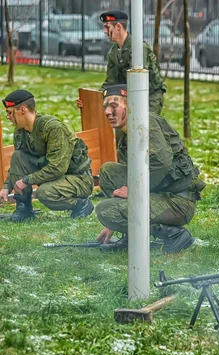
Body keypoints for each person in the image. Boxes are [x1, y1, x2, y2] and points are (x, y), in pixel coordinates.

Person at [95, 85, 205, 253]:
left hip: (177, 202)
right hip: (159, 193)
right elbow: (133, 174)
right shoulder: (126, 134)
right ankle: (131, 236)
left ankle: (173, 234)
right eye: (105, 107)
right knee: (108, 172)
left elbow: (161, 162)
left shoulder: (146, 123)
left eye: (114, 105)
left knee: (105, 210)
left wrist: (133, 192)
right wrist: (116, 222)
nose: (108, 112)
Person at [0, 90, 94, 221]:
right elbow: (18, 164)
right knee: (18, 156)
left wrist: (27, 180)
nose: (7, 117)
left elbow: (57, 168)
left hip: (77, 178)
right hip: (54, 177)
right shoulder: (20, 132)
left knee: (44, 193)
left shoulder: (52, 128)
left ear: (22, 110)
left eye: (10, 113)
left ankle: (81, 205)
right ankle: (24, 209)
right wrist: (6, 187)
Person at [76, 10, 167, 115]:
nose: (105, 31)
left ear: (118, 27)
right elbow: (110, 82)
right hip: (128, 95)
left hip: (150, 96)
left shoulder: (138, 48)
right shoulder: (113, 52)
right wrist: (90, 100)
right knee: (121, 128)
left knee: (144, 127)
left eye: (107, 27)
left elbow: (139, 82)